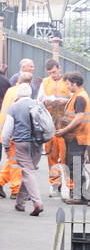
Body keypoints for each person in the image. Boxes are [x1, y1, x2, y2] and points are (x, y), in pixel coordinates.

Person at [0, 83, 53, 216]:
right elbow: (48, 122)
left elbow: (6, 131)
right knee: (27, 171)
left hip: (21, 143)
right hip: (37, 143)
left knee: (27, 171)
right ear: (30, 94)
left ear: (18, 95)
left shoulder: (14, 107)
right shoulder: (39, 104)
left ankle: (37, 202)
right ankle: (20, 204)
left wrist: (6, 146)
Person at [0, 71, 35, 195]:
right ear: (29, 84)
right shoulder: (21, 95)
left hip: (6, 130)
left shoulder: (11, 90)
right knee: (16, 163)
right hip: (15, 134)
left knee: (12, 160)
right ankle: (16, 190)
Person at [39, 61, 72, 194]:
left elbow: (74, 98)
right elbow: (39, 100)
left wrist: (66, 101)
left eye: (54, 72)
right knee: (51, 155)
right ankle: (55, 183)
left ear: (59, 68)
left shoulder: (68, 81)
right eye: (50, 73)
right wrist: (46, 100)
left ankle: (69, 184)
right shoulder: (45, 82)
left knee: (65, 156)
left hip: (65, 125)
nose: (52, 75)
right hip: (50, 124)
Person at [56, 72, 90, 201]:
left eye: (68, 83)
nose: (66, 85)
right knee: (75, 165)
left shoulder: (79, 97)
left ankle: (79, 196)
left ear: (74, 84)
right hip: (77, 136)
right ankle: (79, 195)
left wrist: (64, 130)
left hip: (77, 136)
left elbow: (79, 118)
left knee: (75, 165)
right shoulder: (78, 95)